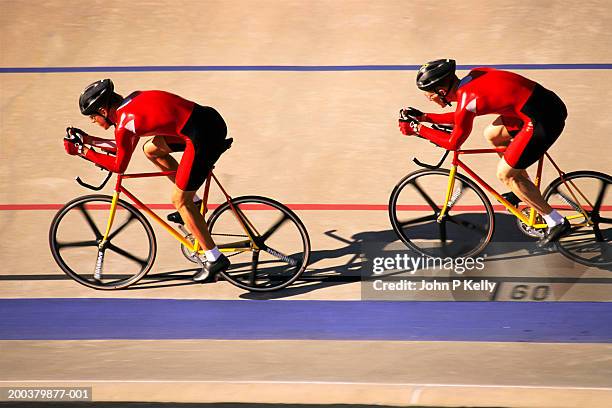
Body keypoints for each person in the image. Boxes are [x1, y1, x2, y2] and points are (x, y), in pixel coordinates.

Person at [64, 78, 230, 281]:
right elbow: (121, 144)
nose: (93, 122)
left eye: (92, 117)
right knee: (150, 150)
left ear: (103, 111)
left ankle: (215, 258)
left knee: (179, 200)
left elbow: (119, 165)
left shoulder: (124, 124)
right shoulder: (130, 104)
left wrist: (82, 151)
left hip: (203, 136)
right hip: (206, 121)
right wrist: (88, 141)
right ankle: (194, 202)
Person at [398, 59, 570, 247]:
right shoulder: (472, 78)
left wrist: (417, 129)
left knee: (505, 175)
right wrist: (424, 117)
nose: (427, 98)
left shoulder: (467, 100)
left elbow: (453, 143)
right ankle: (523, 187)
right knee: (493, 134)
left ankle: (555, 221)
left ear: (441, 92)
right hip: (541, 104)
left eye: (428, 95)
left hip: (543, 119)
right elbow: (460, 117)